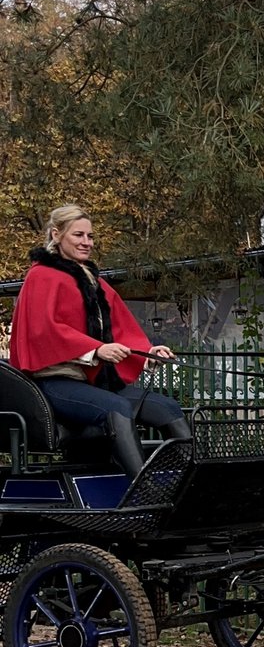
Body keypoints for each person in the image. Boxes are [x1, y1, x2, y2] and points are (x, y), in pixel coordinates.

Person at [9, 203, 190, 481]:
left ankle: (183, 486)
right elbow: (43, 331)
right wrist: (95, 349)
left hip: (96, 382)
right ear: (56, 235)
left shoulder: (92, 279)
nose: (87, 242)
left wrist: (147, 352)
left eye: (90, 236)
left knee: (167, 408)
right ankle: (145, 492)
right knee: (116, 408)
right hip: (55, 382)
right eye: (78, 235)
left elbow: (121, 328)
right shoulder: (41, 276)